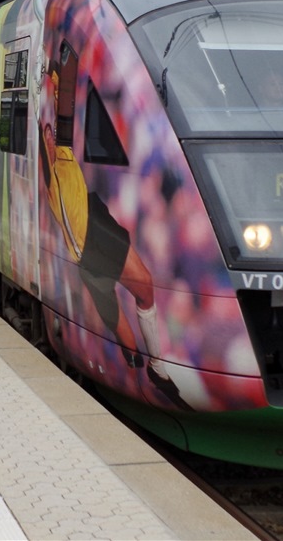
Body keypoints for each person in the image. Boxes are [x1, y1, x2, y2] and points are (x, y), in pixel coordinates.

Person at [39, 59, 193, 412]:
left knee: (144, 287)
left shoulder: (62, 151)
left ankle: (155, 368)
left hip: (96, 223)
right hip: (86, 243)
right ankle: (143, 371)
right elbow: (56, 109)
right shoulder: (51, 173)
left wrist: (58, 71)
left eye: (50, 134)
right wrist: (59, 67)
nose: (50, 137)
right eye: (45, 136)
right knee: (119, 321)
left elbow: (62, 105)